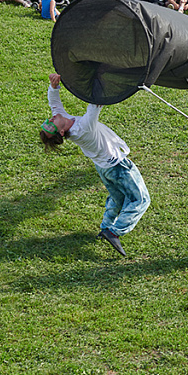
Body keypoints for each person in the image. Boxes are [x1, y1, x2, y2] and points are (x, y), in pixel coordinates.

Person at [41, 73, 150, 256]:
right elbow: (95, 102)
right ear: (61, 131)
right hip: (118, 166)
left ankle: (105, 226)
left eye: (48, 121)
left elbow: (54, 104)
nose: (51, 118)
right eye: (51, 123)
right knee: (140, 200)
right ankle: (114, 231)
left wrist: (54, 86)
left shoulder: (65, 122)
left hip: (103, 169)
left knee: (118, 199)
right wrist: (97, 77)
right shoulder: (84, 127)